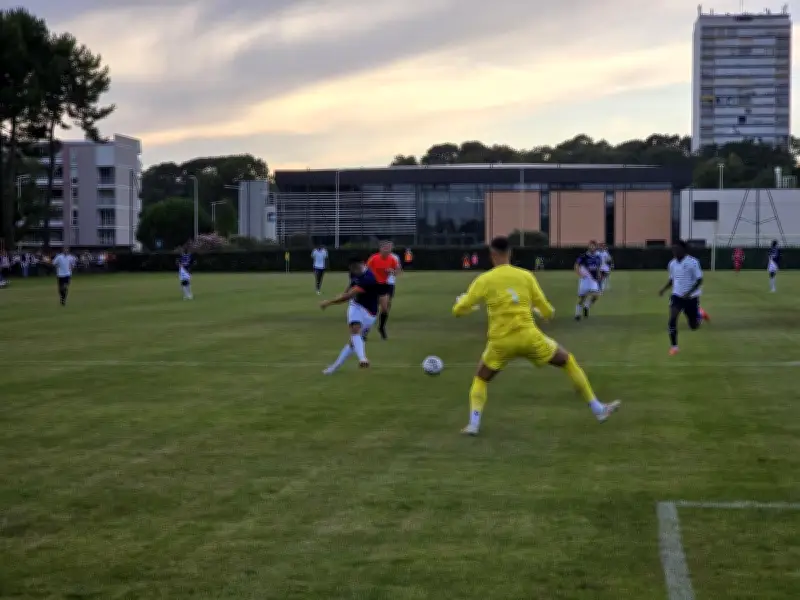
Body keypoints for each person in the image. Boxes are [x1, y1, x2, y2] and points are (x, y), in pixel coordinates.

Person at [452, 236, 620, 436]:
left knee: (481, 378)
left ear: (492, 255)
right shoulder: (526, 276)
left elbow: (459, 310)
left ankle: (473, 424)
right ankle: (598, 409)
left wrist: (461, 303)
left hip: (501, 342)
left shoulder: (484, 279)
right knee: (567, 360)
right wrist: (545, 313)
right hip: (529, 337)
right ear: (510, 254)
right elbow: (547, 310)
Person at [320, 256, 382, 373]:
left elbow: (348, 296)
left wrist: (328, 302)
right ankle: (362, 359)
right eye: (352, 269)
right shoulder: (354, 273)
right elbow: (350, 286)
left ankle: (334, 367)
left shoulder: (368, 278)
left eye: (356, 268)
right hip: (356, 306)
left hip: (370, 312)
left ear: (363, 264)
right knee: (355, 329)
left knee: (353, 343)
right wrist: (343, 293)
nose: (354, 271)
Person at [658, 240, 710, 356]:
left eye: (676, 249)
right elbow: (672, 279)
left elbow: (699, 280)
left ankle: (700, 314)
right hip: (677, 296)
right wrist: (664, 289)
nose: (674, 251)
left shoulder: (693, 262)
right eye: (673, 249)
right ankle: (674, 347)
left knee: (693, 326)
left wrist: (689, 292)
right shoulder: (672, 264)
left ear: (683, 249)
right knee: (672, 319)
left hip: (691, 298)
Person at [366, 241, 401, 340]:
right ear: (380, 249)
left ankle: (381, 327)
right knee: (371, 311)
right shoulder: (374, 258)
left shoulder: (392, 259)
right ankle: (365, 331)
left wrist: (392, 271)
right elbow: (366, 270)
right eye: (385, 248)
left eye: (389, 248)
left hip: (384, 285)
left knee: (385, 308)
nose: (387, 250)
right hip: (373, 285)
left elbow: (397, 271)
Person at [574, 241, 601, 320]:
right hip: (585, 279)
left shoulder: (598, 257)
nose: (592, 247)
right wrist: (579, 273)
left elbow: (598, 267)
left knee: (596, 295)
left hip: (593, 279)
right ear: (589, 247)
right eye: (591, 246)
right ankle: (577, 314)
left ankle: (587, 306)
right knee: (582, 298)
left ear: (596, 247)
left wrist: (599, 274)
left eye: (594, 246)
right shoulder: (583, 256)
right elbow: (576, 265)